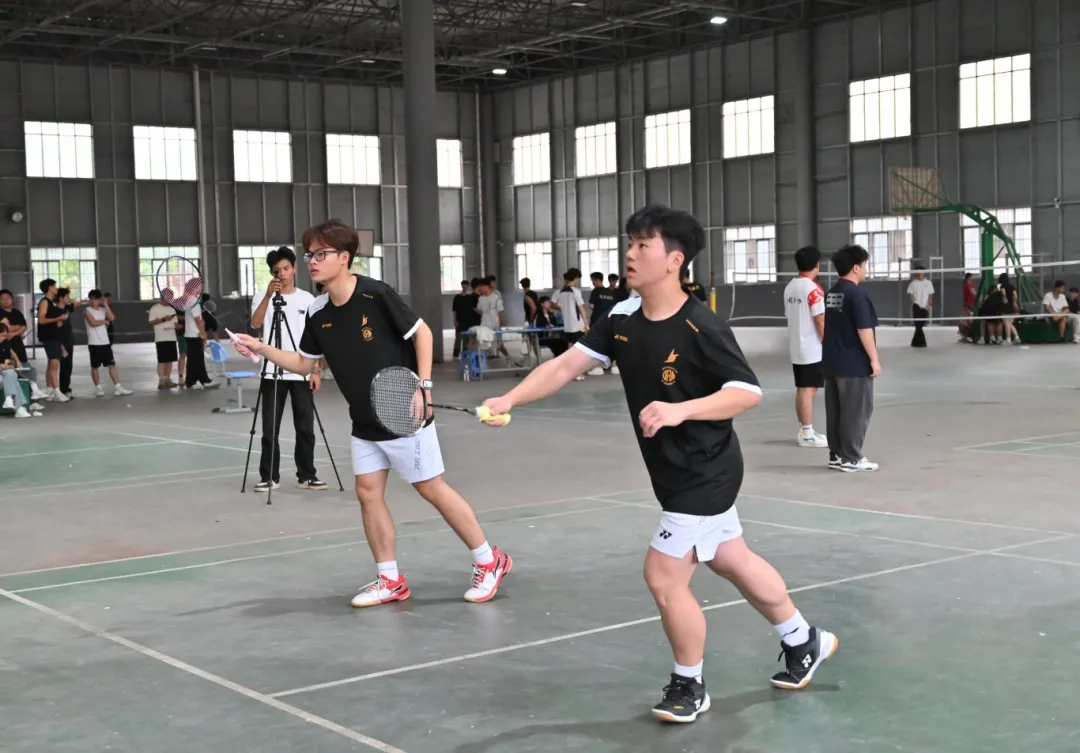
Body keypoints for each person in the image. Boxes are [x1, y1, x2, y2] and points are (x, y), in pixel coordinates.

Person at [481, 204, 836, 724]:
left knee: (664, 576)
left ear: (674, 260)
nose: (630, 253)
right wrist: (511, 398)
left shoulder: (700, 325)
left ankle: (689, 684)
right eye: (630, 243)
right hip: (670, 468)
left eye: (643, 245)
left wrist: (680, 410)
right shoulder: (621, 317)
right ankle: (804, 639)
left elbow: (746, 392)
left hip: (705, 469)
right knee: (731, 558)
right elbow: (566, 365)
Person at [231, 219, 512, 607]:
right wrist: (262, 348)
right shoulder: (317, 310)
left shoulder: (375, 294)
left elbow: (423, 333)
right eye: (309, 254)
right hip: (364, 419)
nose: (312, 261)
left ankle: (489, 560)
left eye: (321, 253)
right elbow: (305, 363)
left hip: (403, 412)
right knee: (368, 493)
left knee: (431, 488)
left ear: (345, 258)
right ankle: (390, 579)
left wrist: (424, 386)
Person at [249, 246, 326, 492]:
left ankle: (307, 475)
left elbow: (314, 338)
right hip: (272, 371)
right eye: (277, 270)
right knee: (269, 428)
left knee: (305, 427)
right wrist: (268, 297)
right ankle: (269, 476)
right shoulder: (263, 296)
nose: (282, 274)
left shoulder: (307, 299)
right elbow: (255, 323)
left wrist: (315, 370)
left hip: (301, 370)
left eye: (286, 268)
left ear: (294, 269)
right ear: (271, 273)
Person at [822, 245, 880, 473]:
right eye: (864, 265)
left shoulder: (832, 293)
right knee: (856, 411)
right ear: (856, 268)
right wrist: (874, 359)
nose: (866, 269)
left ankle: (836, 454)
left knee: (836, 411)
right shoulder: (857, 295)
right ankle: (852, 457)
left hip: (832, 361)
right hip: (854, 363)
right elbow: (864, 329)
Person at [782, 246, 827, 448]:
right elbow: (819, 319)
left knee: (803, 388)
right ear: (817, 264)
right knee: (808, 390)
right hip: (811, 347)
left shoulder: (790, 287)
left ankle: (804, 429)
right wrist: (827, 342)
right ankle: (807, 434)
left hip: (797, 346)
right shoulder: (813, 289)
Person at [0, 289, 47, 402]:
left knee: (26, 368)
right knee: (14, 372)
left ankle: (33, 397)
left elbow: (24, 327)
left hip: (18, 346)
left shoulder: (16, 312)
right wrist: (15, 327)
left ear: (12, 299)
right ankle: (17, 401)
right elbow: (6, 328)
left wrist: (12, 333)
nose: (6, 300)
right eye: (3, 299)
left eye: (8, 298)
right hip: (5, 349)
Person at [84, 290, 132, 397]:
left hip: (105, 342)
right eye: (94, 299)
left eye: (98, 299)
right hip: (94, 343)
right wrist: (104, 321)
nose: (96, 301)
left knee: (112, 364)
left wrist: (106, 305)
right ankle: (98, 388)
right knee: (95, 366)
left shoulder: (103, 310)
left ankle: (118, 387)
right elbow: (93, 323)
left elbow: (112, 318)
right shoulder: (87, 310)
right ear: (91, 299)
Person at [35, 279, 69, 402]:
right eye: (54, 286)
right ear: (49, 288)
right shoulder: (44, 302)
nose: (56, 288)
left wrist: (59, 321)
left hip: (54, 336)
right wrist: (57, 319)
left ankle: (50, 390)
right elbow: (41, 320)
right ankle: (57, 391)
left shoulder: (51, 303)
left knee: (51, 363)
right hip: (49, 337)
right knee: (55, 364)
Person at [149, 299, 179, 389]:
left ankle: (168, 379)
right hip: (161, 338)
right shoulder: (155, 308)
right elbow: (151, 322)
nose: (170, 300)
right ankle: (161, 381)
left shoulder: (172, 309)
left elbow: (175, 323)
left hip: (171, 337)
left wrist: (177, 326)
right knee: (162, 360)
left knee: (170, 360)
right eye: (169, 297)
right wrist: (163, 319)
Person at [907, 266, 934, 348]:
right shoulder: (913, 283)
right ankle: (922, 343)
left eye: (921, 271)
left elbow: (930, 294)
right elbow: (910, 294)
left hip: (925, 306)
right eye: (917, 271)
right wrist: (914, 303)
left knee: (920, 325)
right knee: (918, 324)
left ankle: (914, 342)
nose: (919, 273)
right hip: (917, 305)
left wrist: (929, 304)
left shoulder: (928, 283)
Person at [451, 280, 476, 358]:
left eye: (466, 285)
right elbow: (454, 310)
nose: (465, 286)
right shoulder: (457, 297)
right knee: (458, 338)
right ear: (461, 286)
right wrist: (454, 320)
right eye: (463, 285)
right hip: (459, 320)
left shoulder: (469, 298)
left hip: (468, 321)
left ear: (468, 286)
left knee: (466, 338)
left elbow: (473, 309)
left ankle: (464, 353)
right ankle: (456, 354)